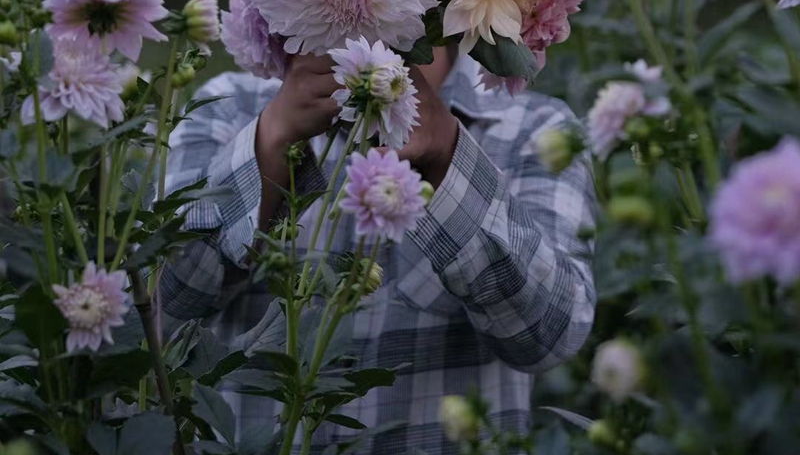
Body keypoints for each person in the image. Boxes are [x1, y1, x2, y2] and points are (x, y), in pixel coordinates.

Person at [160, 46, 596, 454]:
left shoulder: (530, 128)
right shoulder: (230, 106)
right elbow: (159, 309)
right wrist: (270, 139)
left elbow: (550, 337)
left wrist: (448, 151)